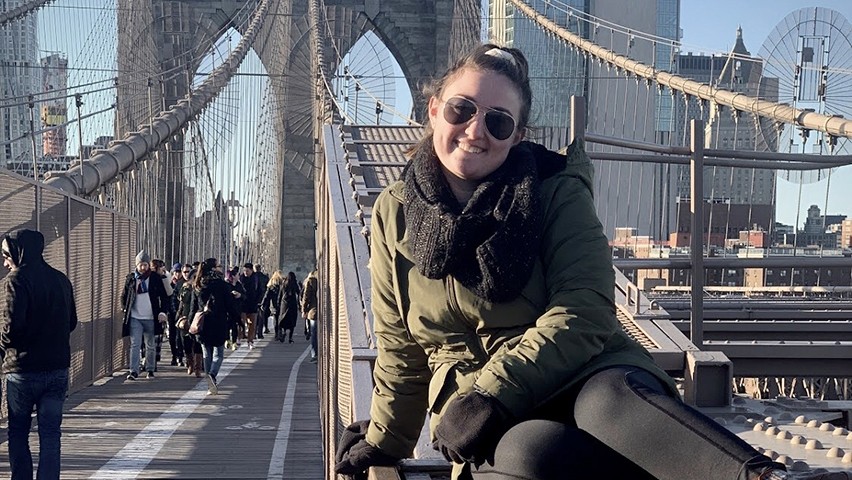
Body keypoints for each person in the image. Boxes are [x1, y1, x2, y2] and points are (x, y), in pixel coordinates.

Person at [332, 44, 850, 480]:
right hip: (479, 408)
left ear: (518, 135)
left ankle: (762, 477)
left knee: (610, 404)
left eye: (498, 120)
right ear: (433, 111)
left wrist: (494, 390)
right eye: (461, 109)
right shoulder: (393, 213)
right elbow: (400, 347)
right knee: (530, 452)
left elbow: (585, 309)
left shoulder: (554, 190)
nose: (475, 129)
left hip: (584, 371)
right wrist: (385, 440)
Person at [0, 230, 78, 480]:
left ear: (18, 252)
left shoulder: (16, 280)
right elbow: (72, 322)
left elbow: (11, 330)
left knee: (18, 431)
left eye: (6, 255)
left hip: (22, 371)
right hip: (57, 369)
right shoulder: (61, 279)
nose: (5, 262)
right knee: (51, 434)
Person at [187, 258, 236, 395]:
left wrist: (190, 324)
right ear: (214, 268)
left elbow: (193, 306)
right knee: (218, 353)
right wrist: (236, 319)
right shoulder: (221, 284)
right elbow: (229, 304)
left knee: (206, 353)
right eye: (218, 266)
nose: (221, 268)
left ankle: (210, 384)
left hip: (203, 323)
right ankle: (212, 375)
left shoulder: (198, 283)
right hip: (219, 322)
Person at [120, 249, 170, 380]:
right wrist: (124, 309)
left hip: (151, 317)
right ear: (136, 265)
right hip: (135, 317)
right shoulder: (131, 279)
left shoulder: (155, 278)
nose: (143, 268)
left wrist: (162, 312)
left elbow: (164, 296)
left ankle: (150, 369)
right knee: (135, 344)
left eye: (145, 265)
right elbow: (124, 296)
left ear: (149, 265)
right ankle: (133, 371)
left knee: (150, 344)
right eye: (140, 265)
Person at [238, 262, 262, 349]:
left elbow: (260, 291)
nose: (245, 272)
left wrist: (258, 301)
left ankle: (250, 341)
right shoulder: (240, 279)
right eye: (244, 270)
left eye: (247, 271)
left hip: (253, 304)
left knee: (252, 324)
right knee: (241, 322)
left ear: (252, 270)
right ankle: (239, 338)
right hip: (243, 305)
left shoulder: (256, 279)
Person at [260, 270, 284, 343]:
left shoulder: (271, 285)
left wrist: (263, 304)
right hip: (282, 305)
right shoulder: (283, 284)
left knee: (275, 320)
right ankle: (280, 331)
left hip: (274, 305)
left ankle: (276, 334)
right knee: (281, 319)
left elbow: (266, 296)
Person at [277, 271, 300, 344]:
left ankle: (284, 332)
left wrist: (278, 303)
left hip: (284, 304)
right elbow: (298, 292)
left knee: (283, 319)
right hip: (292, 304)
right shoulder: (294, 283)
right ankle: (290, 337)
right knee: (292, 320)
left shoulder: (284, 283)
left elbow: (280, 294)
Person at [301, 268, 319, 362]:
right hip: (326, 311)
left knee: (314, 333)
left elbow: (306, 296)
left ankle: (314, 354)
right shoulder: (326, 279)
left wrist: (304, 310)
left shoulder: (311, 281)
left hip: (313, 311)